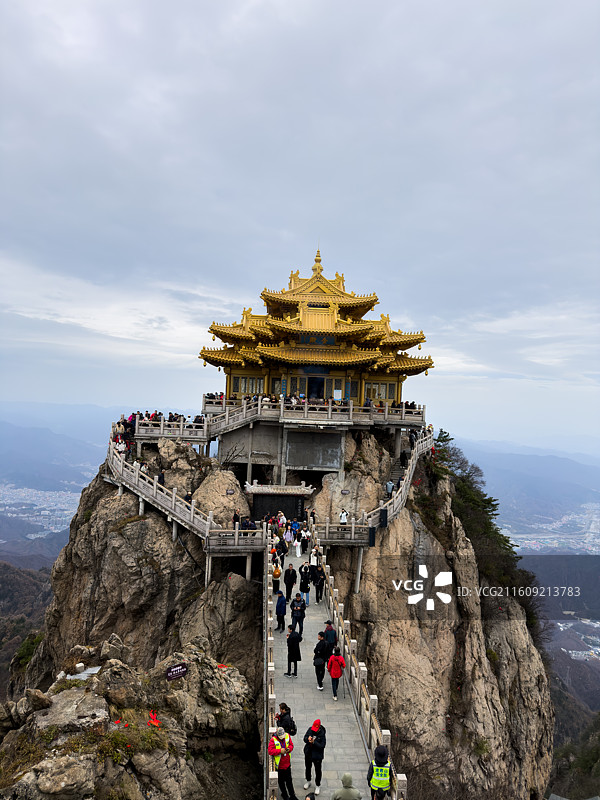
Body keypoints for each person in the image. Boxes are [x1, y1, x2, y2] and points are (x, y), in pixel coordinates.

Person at [268, 727, 299, 800]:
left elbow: (291, 745)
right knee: (281, 782)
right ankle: (285, 795)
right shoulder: (273, 740)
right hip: (280, 766)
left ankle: (292, 795)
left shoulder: (287, 736)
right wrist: (279, 751)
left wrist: (289, 749)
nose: (282, 738)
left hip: (287, 764)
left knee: (289, 781)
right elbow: (270, 751)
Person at [303, 719, 326, 795]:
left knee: (318, 771)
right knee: (308, 767)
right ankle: (308, 781)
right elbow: (305, 738)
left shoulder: (322, 734)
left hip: (317, 756)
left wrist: (314, 742)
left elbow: (322, 746)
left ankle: (318, 785)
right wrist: (308, 739)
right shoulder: (310, 729)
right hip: (308, 753)